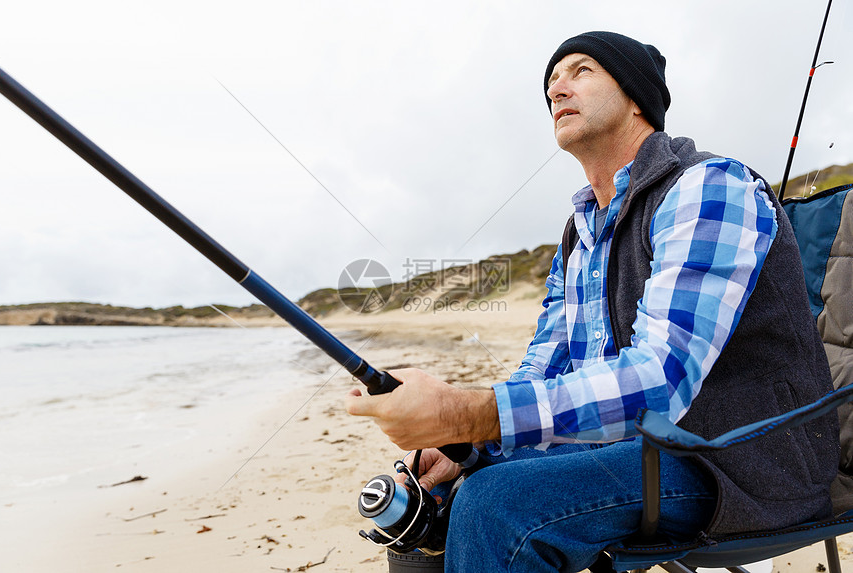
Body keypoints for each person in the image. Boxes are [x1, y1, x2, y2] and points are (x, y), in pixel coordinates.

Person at [346, 31, 839, 572]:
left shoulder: (709, 187)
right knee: (437, 502)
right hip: (636, 448)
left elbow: (660, 380)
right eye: (551, 83)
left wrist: (470, 415)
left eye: (580, 71)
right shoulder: (579, 234)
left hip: (740, 456)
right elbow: (546, 363)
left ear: (635, 94)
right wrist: (468, 443)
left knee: (497, 507)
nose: (558, 89)